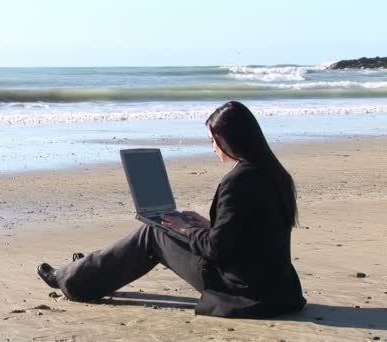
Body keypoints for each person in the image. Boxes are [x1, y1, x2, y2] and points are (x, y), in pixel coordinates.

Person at [37, 101, 306, 318]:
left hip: (243, 293)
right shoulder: (274, 173)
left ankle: (71, 280)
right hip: (280, 290)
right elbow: (254, 234)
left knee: (153, 233)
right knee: (161, 228)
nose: (212, 148)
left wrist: (185, 228)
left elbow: (217, 250)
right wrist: (208, 225)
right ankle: (89, 269)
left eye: (212, 140)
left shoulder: (238, 180)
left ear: (228, 140)